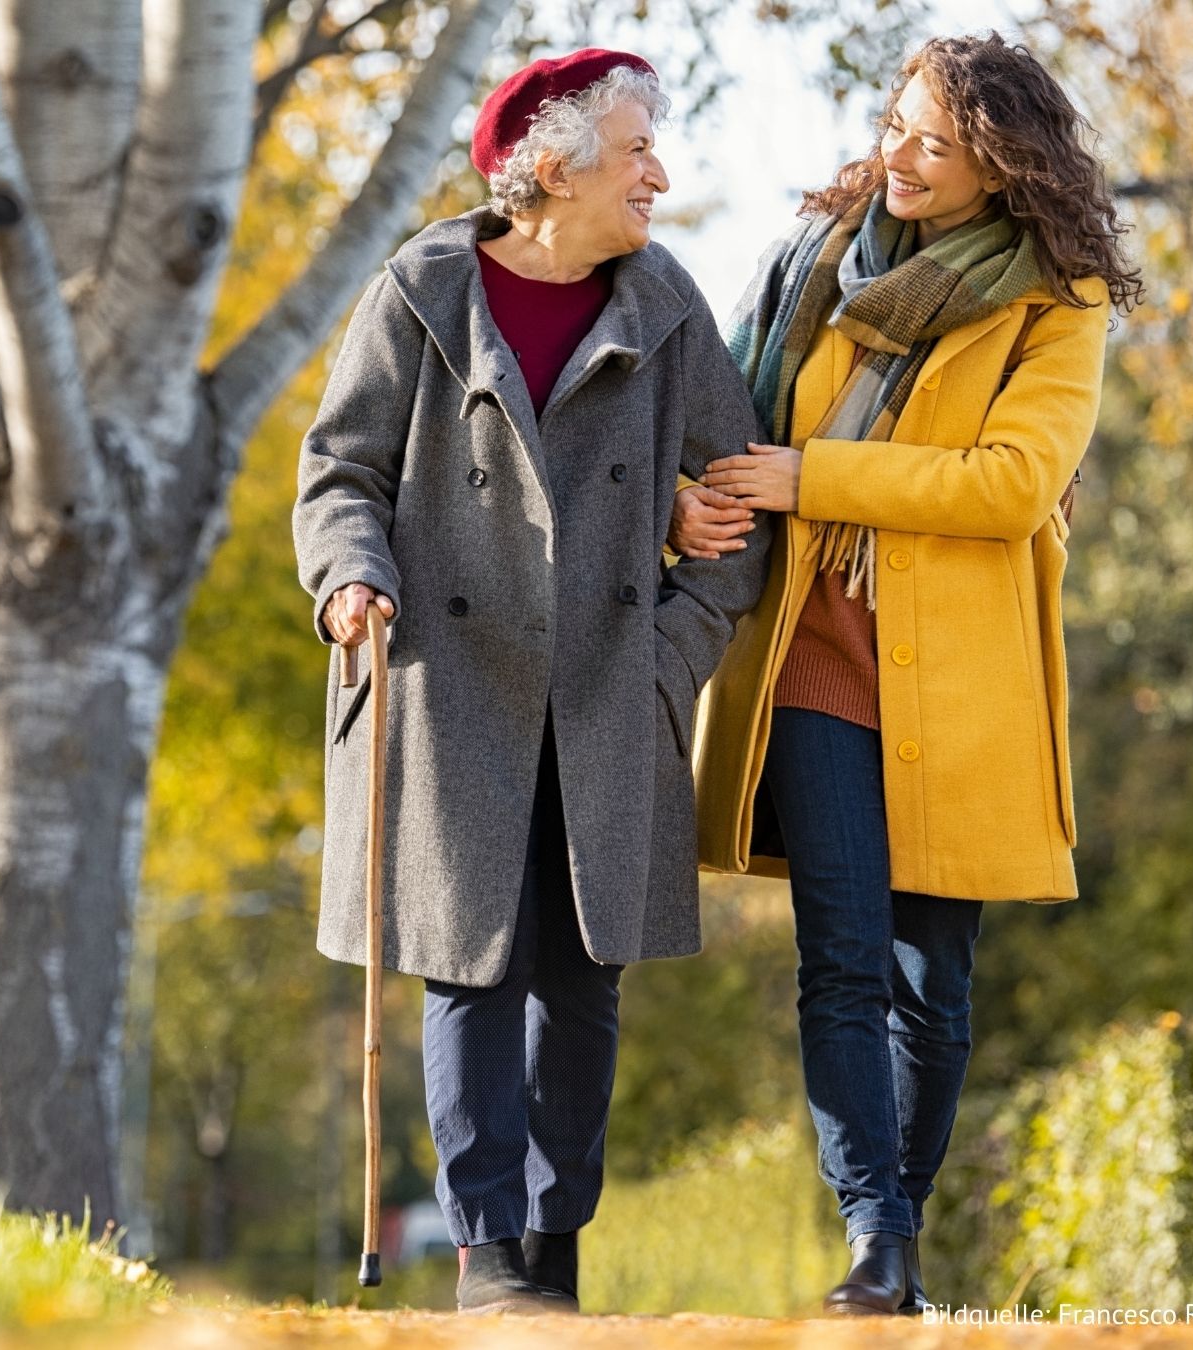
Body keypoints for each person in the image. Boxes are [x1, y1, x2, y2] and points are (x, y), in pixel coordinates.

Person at [668, 32, 1146, 1316]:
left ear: (1001, 169)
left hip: (961, 683)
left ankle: (903, 1233)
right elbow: (721, 413)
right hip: (816, 653)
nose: (900, 157)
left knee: (934, 984)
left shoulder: (1057, 304)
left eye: (935, 144)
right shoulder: (817, 262)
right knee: (842, 957)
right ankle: (875, 1240)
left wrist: (815, 477)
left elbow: (1009, 484)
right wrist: (688, 496)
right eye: (896, 125)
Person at [292, 49, 774, 1315]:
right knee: (472, 965)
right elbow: (342, 472)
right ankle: (489, 1253)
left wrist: (670, 660)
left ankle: (556, 1250)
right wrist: (349, 575)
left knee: (582, 975)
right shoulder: (422, 292)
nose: (660, 177)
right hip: (450, 684)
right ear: (551, 174)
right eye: (635, 155)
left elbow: (739, 510)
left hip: (610, 691)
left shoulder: (665, 304)